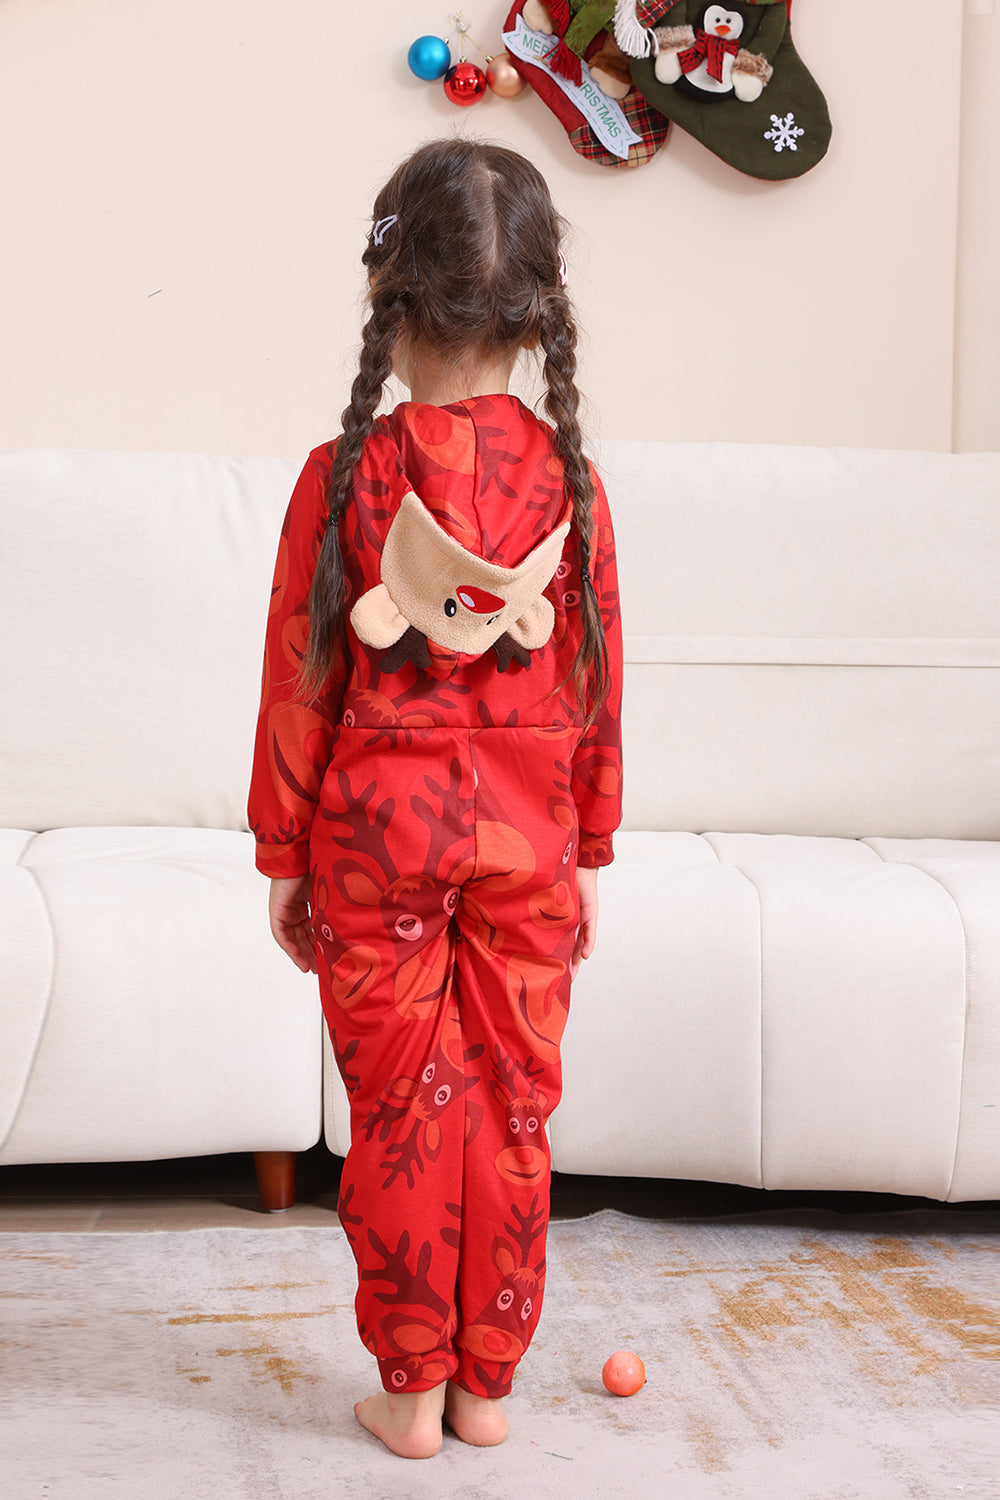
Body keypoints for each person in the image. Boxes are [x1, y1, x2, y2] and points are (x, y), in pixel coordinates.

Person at [247, 137, 623, 1460]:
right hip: (529, 837)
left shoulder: (342, 473)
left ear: (388, 292)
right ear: (538, 309)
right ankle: (485, 1387)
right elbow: (595, 681)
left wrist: (286, 855)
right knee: (512, 1104)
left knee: (403, 1110)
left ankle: (409, 1387)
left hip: (374, 839)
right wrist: (587, 848)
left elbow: (300, 680)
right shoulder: (572, 482)